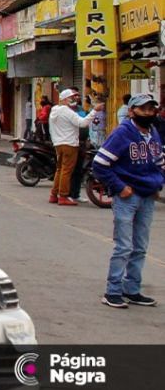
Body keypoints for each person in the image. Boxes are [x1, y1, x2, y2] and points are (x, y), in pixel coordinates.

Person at [94, 94, 165, 308]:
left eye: (151, 109)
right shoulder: (122, 133)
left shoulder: (152, 133)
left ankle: (132, 289)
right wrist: (120, 187)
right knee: (123, 246)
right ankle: (112, 291)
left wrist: (157, 184)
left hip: (146, 196)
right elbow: (100, 164)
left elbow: (159, 161)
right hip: (127, 196)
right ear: (132, 111)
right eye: (143, 109)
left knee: (140, 247)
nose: (148, 113)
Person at [48, 88, 103, 206]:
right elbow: (82, 123)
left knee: (60, 169)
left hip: (58, 143)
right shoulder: (66, 111)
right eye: (71, 98)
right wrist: (94, 111)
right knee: (67, 171)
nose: (74, 99)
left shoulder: (55, 110)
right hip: (69, 143)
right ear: (64, 99)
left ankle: (54, 194)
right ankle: (63, 196)